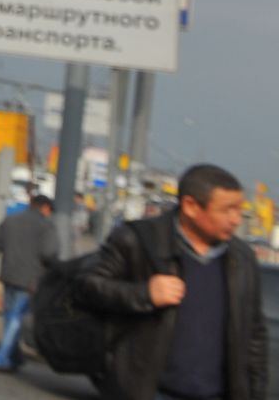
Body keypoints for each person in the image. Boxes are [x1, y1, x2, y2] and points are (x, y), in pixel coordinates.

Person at [78, 163, 270, 400]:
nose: (236, 220)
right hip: (149, 391)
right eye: (227, 210)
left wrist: (256, 392)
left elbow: (254, 333)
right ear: (190, 206)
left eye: (239, 210)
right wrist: (144, 294)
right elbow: (88, 286)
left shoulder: (242, 259)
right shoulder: (138, 240)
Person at [0, 192, 57, 372]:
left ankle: (14, 356)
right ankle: (0, 358)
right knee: (16, 320)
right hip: (29, 281)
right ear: (44, 208)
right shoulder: (46, 226)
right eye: (50, 210)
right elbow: (49, 254)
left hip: (8, 275)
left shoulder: (11, 220)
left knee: (9, 317)